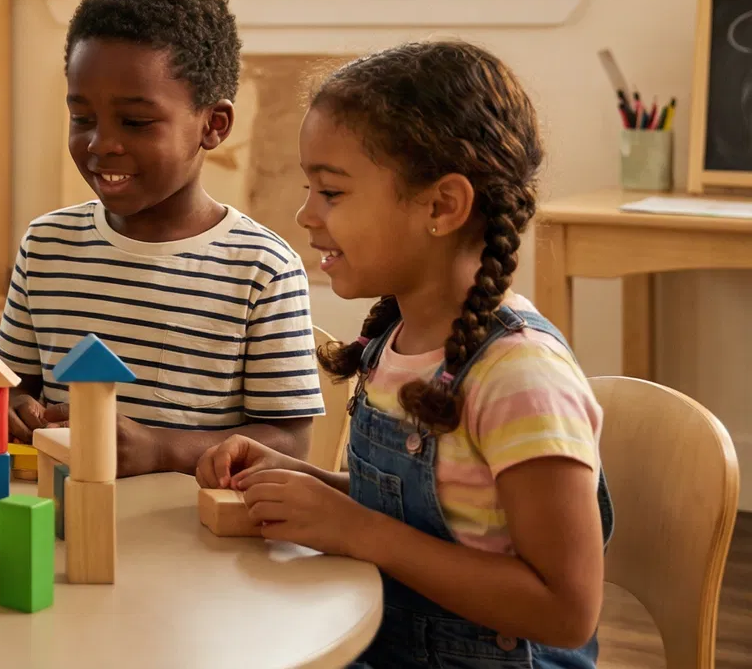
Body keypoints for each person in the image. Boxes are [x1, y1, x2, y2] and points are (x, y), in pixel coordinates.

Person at [200, 42, 610, 667]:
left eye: (331, 193)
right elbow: (434, 511)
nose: (304, 214)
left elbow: (565, 608)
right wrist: (306, 486)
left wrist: (357, 531)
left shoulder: (519, 377)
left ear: (442, 207)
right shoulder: (395, 338)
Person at [0, 0, 323, 472]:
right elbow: (16, 385)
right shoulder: (46, 246)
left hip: (192, 537)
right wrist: (15, 408)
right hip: (62, 518)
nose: (101, 143)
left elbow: (290, 442)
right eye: (82, 118)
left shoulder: (262, 269)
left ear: (213, 125)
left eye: (136, 122)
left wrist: (162, 449)